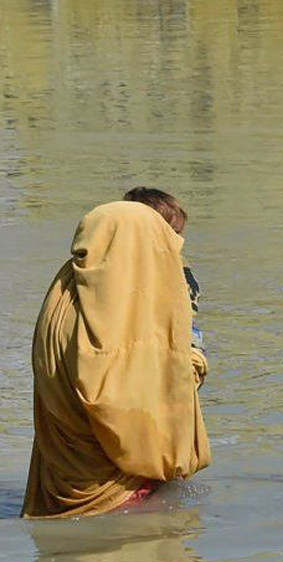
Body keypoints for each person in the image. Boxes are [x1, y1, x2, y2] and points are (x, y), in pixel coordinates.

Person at [22, 200, 210, 518]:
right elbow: (125, 404)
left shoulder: (63, 298)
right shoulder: (128, 312)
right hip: (121, 495)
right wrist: (192, 359)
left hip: (60, 483)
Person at [123, 187, 204, 353]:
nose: (179, 240)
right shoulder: (122, 269)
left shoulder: (178, 268)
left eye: (179, 232)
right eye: (171, 232)